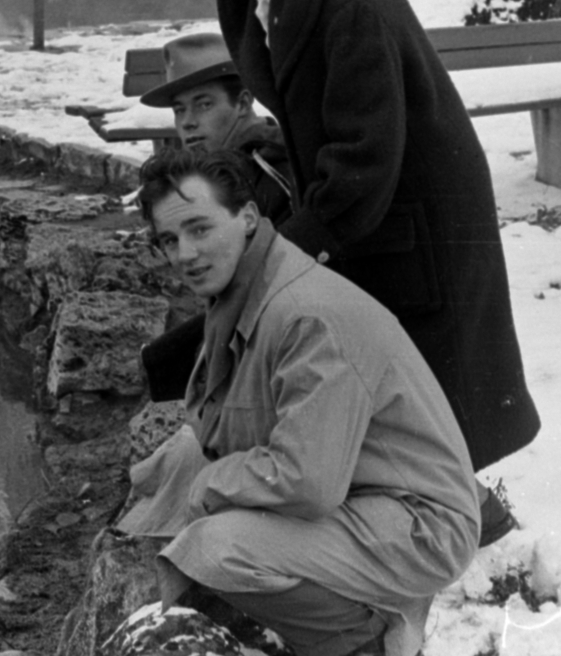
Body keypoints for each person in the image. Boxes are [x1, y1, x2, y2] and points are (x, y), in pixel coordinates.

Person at [194, 0, 541, 544]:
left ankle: (459, 521)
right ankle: (454, 507)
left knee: (421, 367)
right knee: (387, 367)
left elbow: (362, 154)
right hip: (377, 199)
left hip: (417, 207)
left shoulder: (350, 4)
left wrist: (282, 254)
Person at [116, 147, 479, 656]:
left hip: (419, 525)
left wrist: (211, 486)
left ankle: (364, 638)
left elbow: (308, 482)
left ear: (247, 217)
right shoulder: (246, 288)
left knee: (216, 548)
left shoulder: (307, 315)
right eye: (169, 240)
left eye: (199, 229)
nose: (185, 255)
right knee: (180, 462)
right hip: (359, 487)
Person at [137, 31, 294, 401]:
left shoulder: (270, 167)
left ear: (243, 102)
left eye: (203, 105)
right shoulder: (217, 170)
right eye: (179, 110)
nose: (188, 122)